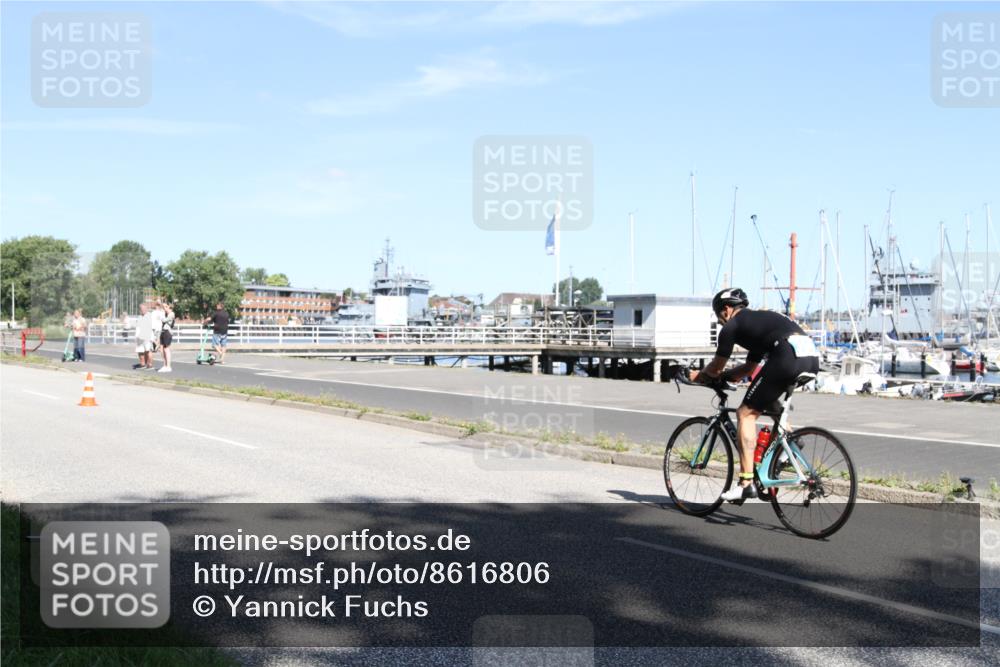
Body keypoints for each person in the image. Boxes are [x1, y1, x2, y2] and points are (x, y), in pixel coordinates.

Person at [690, 288, 820, 503]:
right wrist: (725, 377)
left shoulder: (732, 326)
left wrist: (697, 376)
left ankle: (745, 483)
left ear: (726, 310)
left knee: (745, 414)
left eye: (718, 316)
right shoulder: (757, 325)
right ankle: (791, 445)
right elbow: (748, 370)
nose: (720, 322)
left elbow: (715, 367)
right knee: (767, 398)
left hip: (786, 355)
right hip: (809, 357)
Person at [134, 303, 154, 370]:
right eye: (141, 309)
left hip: (147, 336)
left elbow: (152, 327)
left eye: (143, 309)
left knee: (148, 351)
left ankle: (150, 365)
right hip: (139, 337)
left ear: (146, 309)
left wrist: (154, 338)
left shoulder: (149, 316)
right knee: (140, 351)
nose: (142, 310)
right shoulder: (139, 317)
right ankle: (143, 364)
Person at [158, 303, 175, 372]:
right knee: (161, 349)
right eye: (163, 307)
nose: (164, 309)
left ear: (169, 307)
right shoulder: (165, 314)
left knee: (166, 349)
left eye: (166, 307)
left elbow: (164, 320)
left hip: (167, 332)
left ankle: (168, 366)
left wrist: (161, 316)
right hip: (163, 331)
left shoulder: (171, 314)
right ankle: (165, 365)